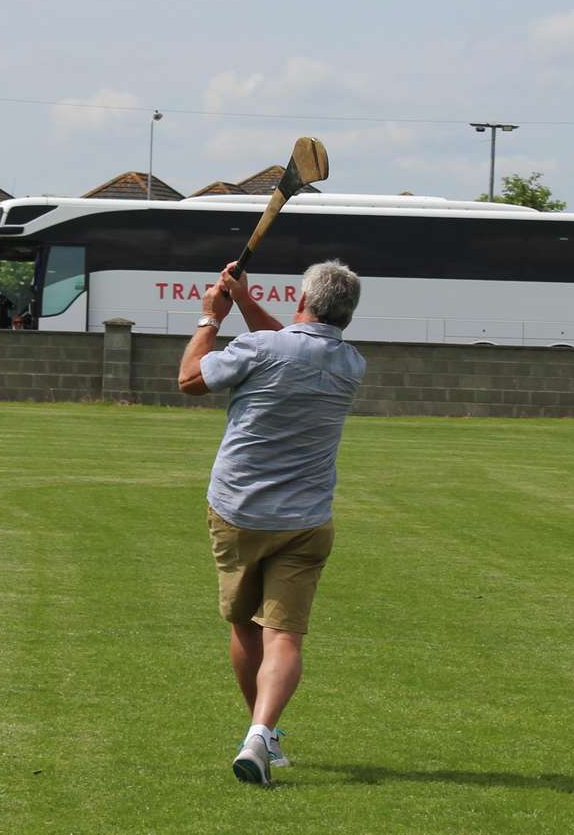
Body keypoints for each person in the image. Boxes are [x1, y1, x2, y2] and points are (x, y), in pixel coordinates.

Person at [177, 259, 366, 787]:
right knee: (284, 637)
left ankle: (260, 734)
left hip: (239, 511)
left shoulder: (260, 350)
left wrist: (209, 319)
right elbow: (296, 342)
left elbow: (190, 379)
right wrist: (241, 301)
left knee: (244, 626)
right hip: (307, 520)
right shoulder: (351, 363)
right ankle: (262, 734)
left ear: (302, 299)